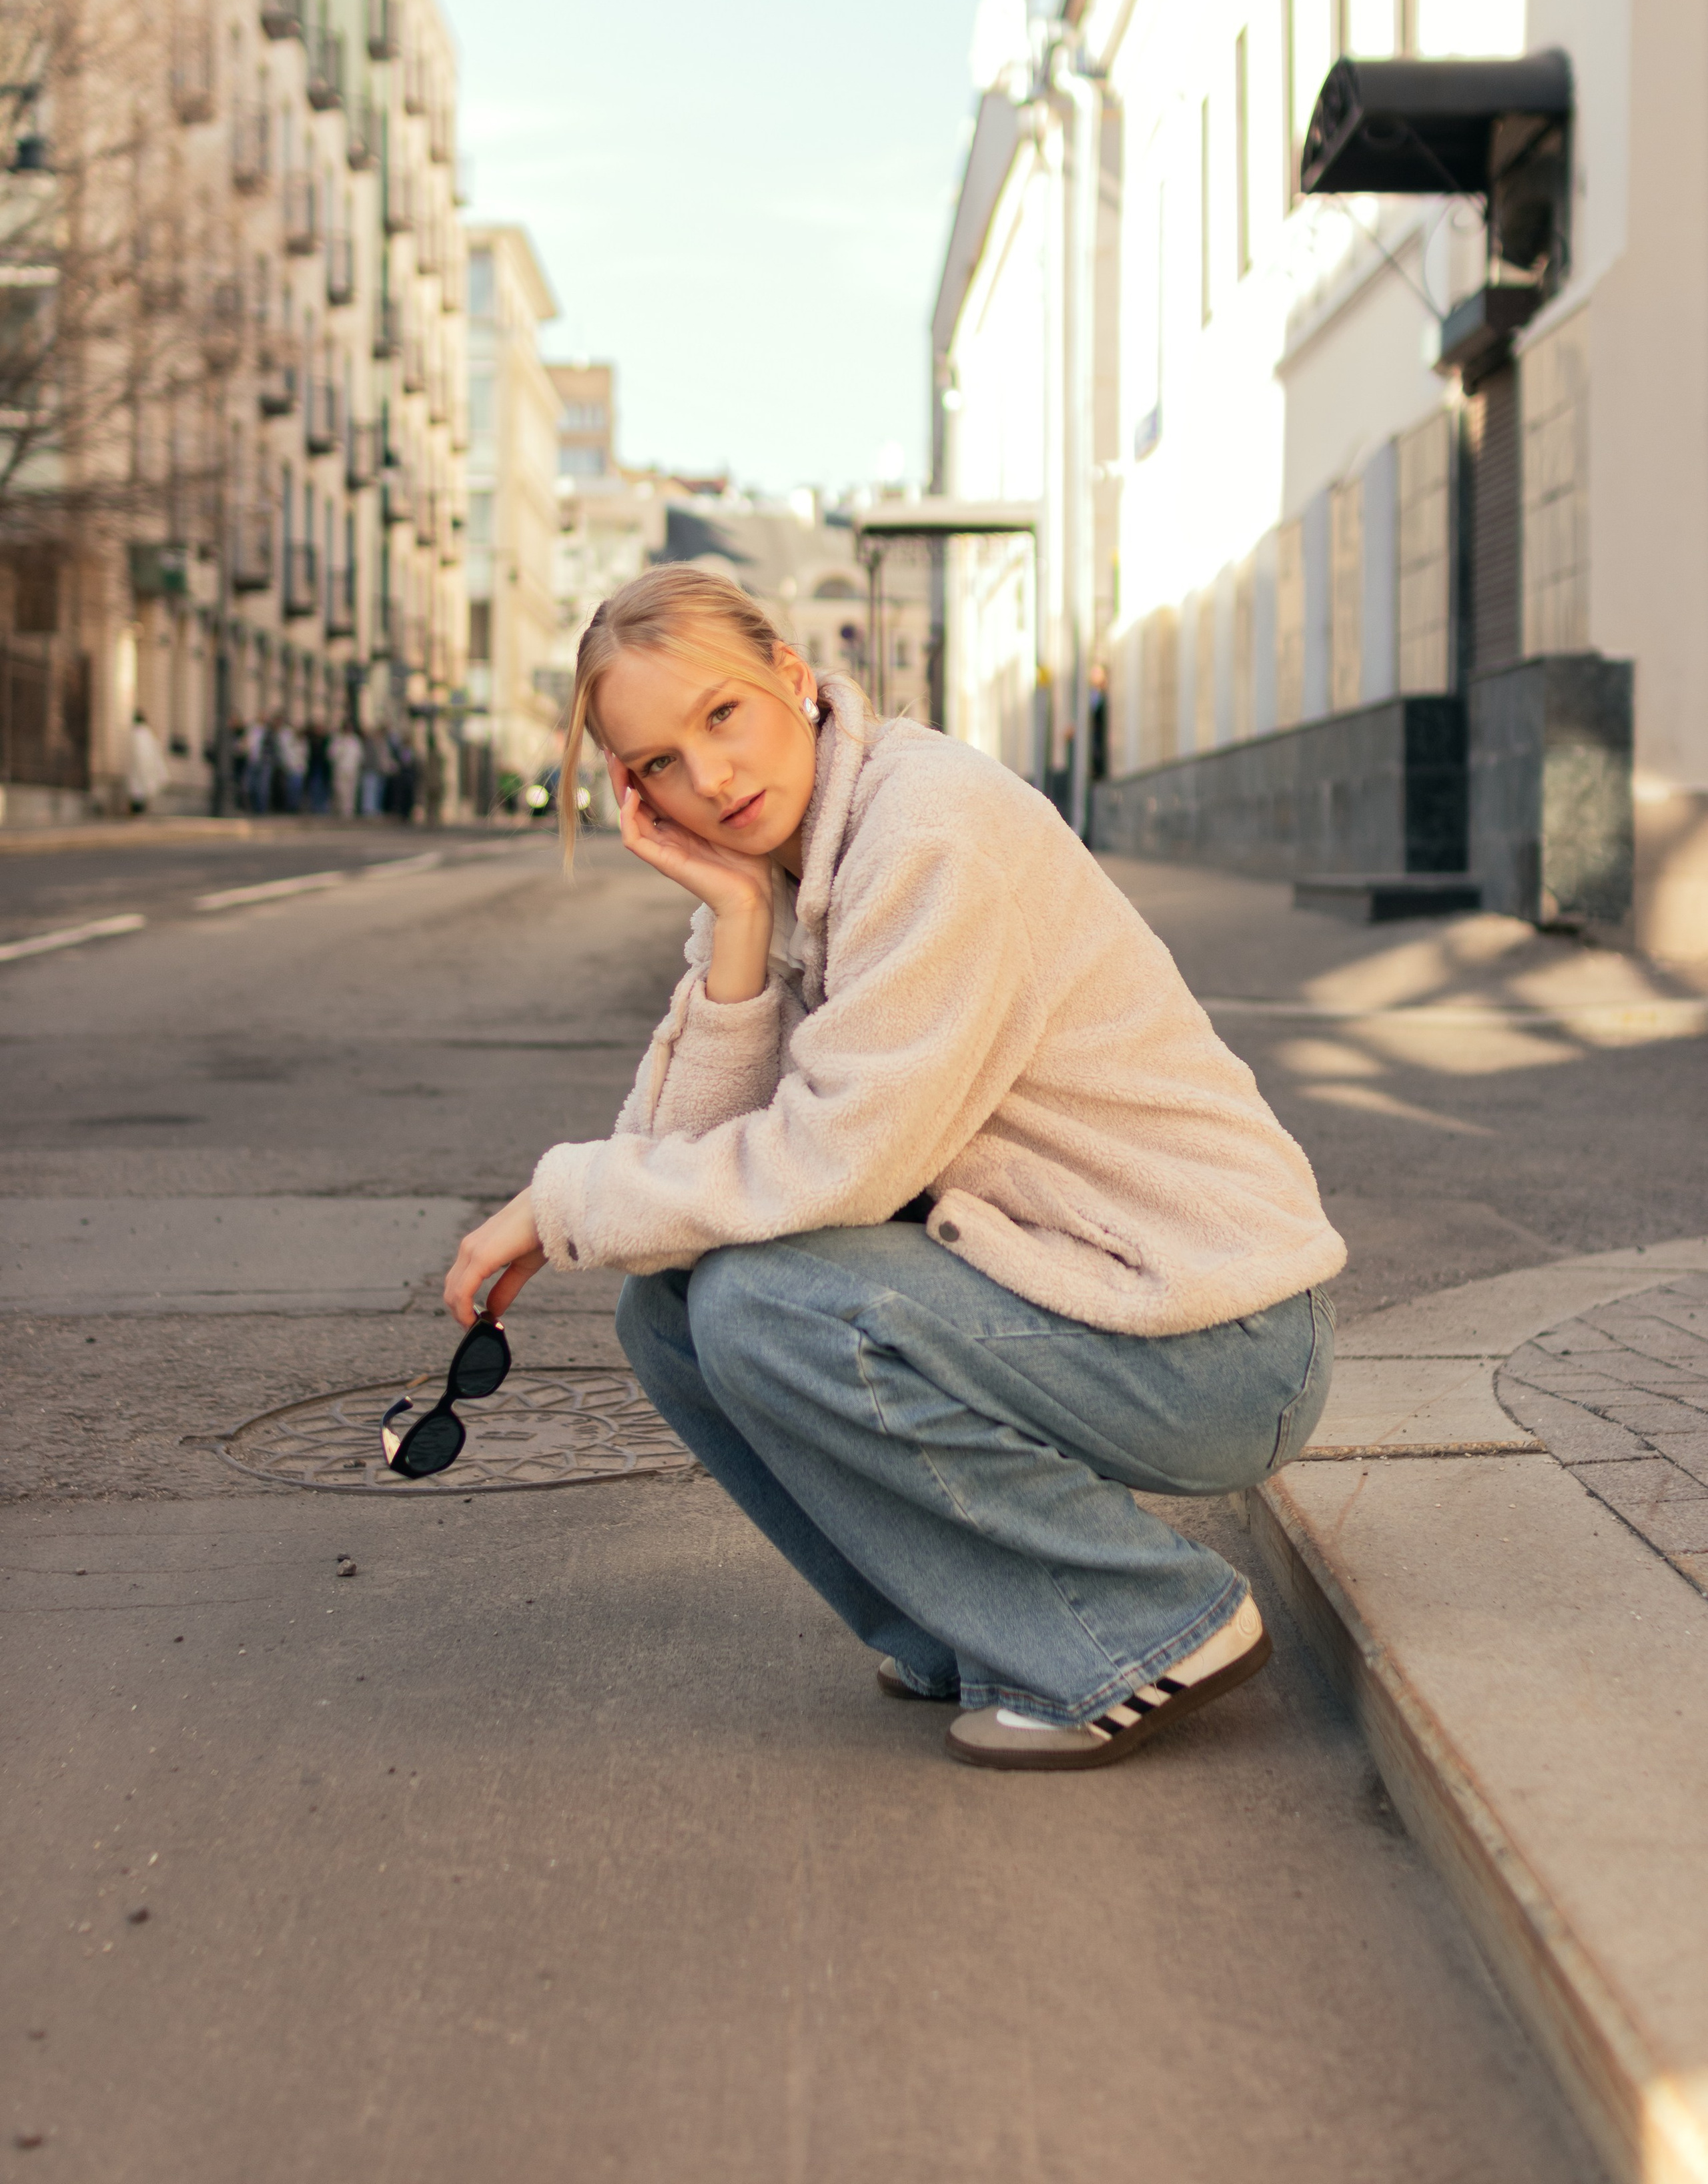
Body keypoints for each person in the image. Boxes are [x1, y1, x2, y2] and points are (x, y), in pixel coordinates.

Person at [444, 569, 1344, 1772]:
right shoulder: (781, 865)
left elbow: (836, 1168)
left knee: (764, 1304)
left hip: (1225, 1339)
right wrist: (736, 932)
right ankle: (965, 1630)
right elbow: (681, 1179)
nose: (706, 780)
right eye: (657, 762)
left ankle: (1138, 1626)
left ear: (793, 677)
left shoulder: (929, 831)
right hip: (1078, 1300)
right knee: (670, 1310)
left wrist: (557, 1204)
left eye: (722, 716)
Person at [125, 710, 169, 815]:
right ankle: (139, 810)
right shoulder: (147, 734)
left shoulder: (137, 734)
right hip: (145, 769)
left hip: (138, 769)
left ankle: (137, 811)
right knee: (141, 790)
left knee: (137, 790)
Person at [330, 722, 363, 821]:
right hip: (340, 769)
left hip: (352, 769)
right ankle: (340, 810)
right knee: (340, 791)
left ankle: (349, 811)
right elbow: (332, 755)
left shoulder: (355, 741)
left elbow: (359, 755)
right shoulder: (338, 740)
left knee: (351, 791)